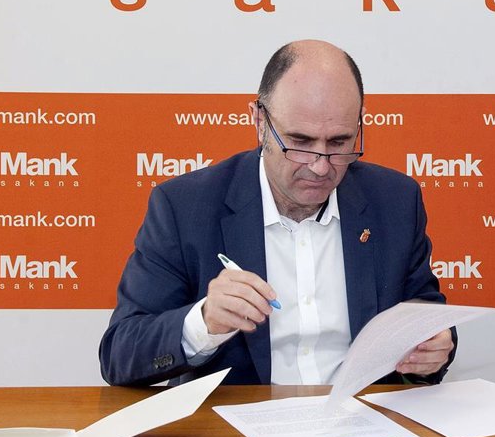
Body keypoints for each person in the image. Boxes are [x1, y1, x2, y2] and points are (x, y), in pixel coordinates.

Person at [100, 40, 454, 387]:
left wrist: (432, 350)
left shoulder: (395, 201)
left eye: (339, 142)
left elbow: (426, 316)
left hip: (361, 417)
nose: (319, 166)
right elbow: (119, 354)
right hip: (236, 422)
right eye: (300, 142)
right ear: (259, 121)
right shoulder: (184, 206)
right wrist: (203, 323)